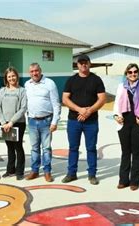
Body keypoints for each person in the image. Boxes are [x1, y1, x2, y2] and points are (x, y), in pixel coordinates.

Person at [61, 55, 106, 185]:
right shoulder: (71, 80)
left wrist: (89, 111)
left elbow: (102, 99)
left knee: (91, 148)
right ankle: (71, 173)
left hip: (91, 122)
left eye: (85, 62)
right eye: (80, 63)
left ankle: (92, 174)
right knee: (73, 147)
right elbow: (65, 99)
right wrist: (79, 110)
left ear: (89, 64)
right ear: (77, 65)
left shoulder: (96, 80)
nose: (83, 65)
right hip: (74, 121)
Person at [113, 63, 139, 191]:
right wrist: (116, 116)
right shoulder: (121, 87)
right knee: (125, 152)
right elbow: (116, 103)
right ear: (126, 74)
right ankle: (123, 180)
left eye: (135, 72)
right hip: (124, 123)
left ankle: (134, 181)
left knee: (136, 153)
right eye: (130, 72)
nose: (133, 74)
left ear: (138, 73)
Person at [24, 63, 61, 182]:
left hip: (46, 121)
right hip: (32, 121)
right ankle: (34, 170)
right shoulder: (27, 84)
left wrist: (55, 122)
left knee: (46, 148)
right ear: (29, 73)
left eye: (36, 70)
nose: (34, 73)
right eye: (32, 71)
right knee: (34, 148)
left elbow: (56, 104)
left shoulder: (49, 83)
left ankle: (47, 171)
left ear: (40, 70)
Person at [0, 67, 27, 181]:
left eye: (13, 76)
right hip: (5, 124)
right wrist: (4, 122)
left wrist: (11, 122)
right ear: (6, 78)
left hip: (18, 123)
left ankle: (20, 171)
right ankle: (10, 170)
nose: (11, 78)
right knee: (9, 147)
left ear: (17, 76)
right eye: (9, 76)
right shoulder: (2, 91)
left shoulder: (22, 91)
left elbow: (23, 108)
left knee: (18, 147)